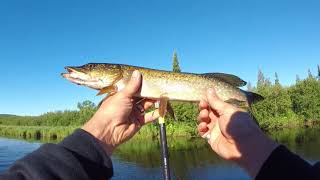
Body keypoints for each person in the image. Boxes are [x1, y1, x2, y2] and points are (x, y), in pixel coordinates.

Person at [0, 70, 319, 180]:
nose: (85, 73)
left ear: (112, 72)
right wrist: (254, 146)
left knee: (235, 95)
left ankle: (244, 100)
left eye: (92, 70)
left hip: (222, 91)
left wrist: (250, 140)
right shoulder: (114, 85)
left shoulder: (120, 78)